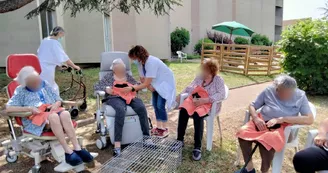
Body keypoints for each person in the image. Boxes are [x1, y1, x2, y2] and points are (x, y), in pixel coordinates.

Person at [6, 66, 93, 166]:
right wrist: (29, 108)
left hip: (53, 112)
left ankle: (77, 148)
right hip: (36, 119)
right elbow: (9, 108)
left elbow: (58, 99)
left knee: (65, 114)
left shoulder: (44, 84)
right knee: (53, 117)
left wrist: (57, 103)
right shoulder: (20, 90)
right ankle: (67, 151)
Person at [235, 75, 314, 173]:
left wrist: (282, 119)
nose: (277, 92)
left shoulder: (300, 96)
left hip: (283, 127)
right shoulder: (269, 90)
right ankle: (249, 168)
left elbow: (310, 119)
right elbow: (252, 105)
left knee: (267, 141)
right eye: (277, 89)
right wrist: (255, 118)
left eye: (281, 91)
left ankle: (264, 171)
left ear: (291, 91)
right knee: (242, 133)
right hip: (262, 121)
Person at [94, 58, 150, 156]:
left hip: (129, 96)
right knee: (120, 110)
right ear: (114, 70)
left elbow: (136, 84)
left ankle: (147, 138)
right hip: (114, 97)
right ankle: (117, 145)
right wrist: (106, 89)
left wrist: (134, 87)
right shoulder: (109, 77)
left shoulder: (127, 76)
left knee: (141, 107)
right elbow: (96, 87)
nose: (122, 72)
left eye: (123, 70)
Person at [172, 58, 225, 161]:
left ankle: (197, 147)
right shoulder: (199, 77)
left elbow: (221, 94)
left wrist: (205, 100)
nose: (202, 70)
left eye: (204, 68)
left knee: (197, 114)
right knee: (183, 110)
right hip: (196, 103)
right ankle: (179, 141)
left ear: (211, 70)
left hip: (209, 105)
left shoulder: (218, 80)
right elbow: (189, 87)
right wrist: (180, 95)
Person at [125, 45, 176, 138]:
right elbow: (142, 79)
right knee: (155, 105)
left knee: (160, 105)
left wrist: (132, 88)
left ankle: (164, 129)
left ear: (139, 56)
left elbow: (145, 83)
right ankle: (158, 127)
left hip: (164, 83)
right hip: (155, 83)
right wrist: (148, 86)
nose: (133, 61)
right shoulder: (141, 64)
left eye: (134, 58)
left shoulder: (151, 62)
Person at [37, 26, 80, 96]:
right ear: (59, 33)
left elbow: (47, 55)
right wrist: (74, 66)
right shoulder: (54, 43)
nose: (61, 38)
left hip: (39, 67)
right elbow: (64, 57)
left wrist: (58, 66)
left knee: (43, 86)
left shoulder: (45, 40)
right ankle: (52, 103)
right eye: (62, 36)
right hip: (47, 69)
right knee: (50, 87)